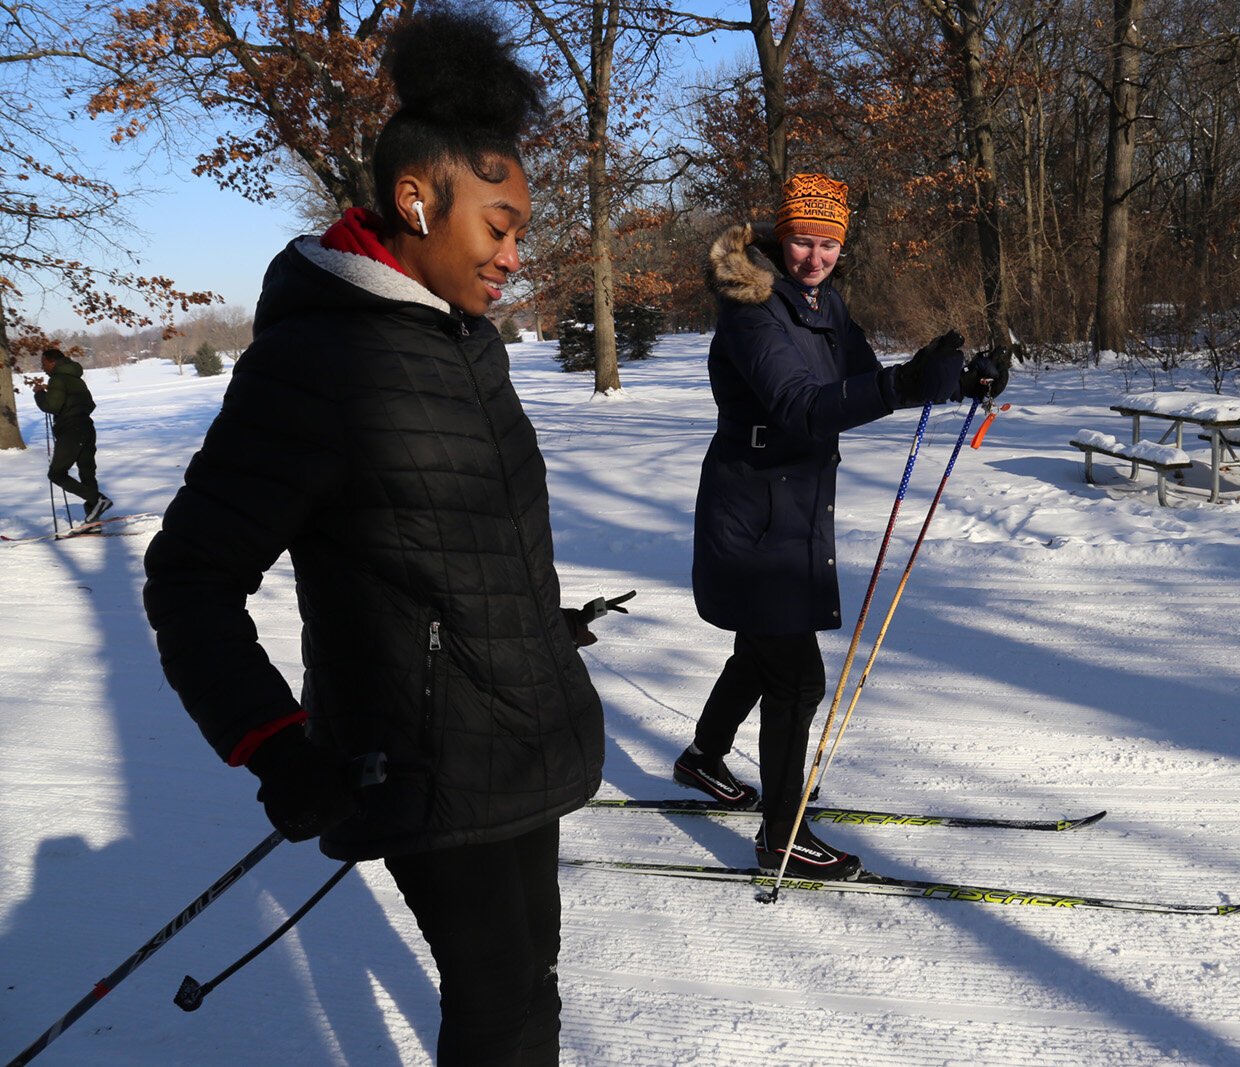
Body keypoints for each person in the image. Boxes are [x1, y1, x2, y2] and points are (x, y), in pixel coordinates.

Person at [141, 8, 602, 1065]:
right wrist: (274, 743)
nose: (514, 256)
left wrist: (529, 620)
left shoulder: (465, 343)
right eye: (499, 226)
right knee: (500, 1012)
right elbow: (191, 577)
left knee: (529, 986)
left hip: (521, 733)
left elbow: (452, 528)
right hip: (422, 762)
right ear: (414, 198)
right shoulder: (316, 364)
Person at [673, 173, 1007, 879]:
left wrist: (953, 378)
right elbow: (799, 406)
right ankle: (781, 834)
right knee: (795, 676)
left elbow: (862, 381)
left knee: (761, 654)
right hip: (753, 514)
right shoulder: (753, 305)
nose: (815, 256)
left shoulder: (824, 303)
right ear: (779, 235)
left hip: (791, 508)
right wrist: (904, 386)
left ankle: (703, 758)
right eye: (802, 241)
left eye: (828, 244)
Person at [33, 347, 113, 523]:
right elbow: (90, 404)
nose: (43, 367)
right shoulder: (76, 379)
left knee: (56, 474)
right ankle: (93, 519)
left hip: (71, 431)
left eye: (44, 363)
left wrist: (39, 394)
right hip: (87, 427)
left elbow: (51, 407)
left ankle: (98, 500)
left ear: (52, 362)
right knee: (87, 473)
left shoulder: (58, 379)